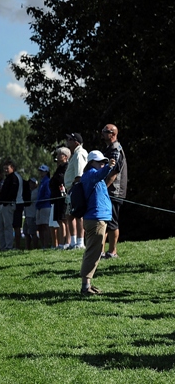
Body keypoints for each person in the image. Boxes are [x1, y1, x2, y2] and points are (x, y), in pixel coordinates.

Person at [79, 151, 117, 296]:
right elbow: (99, 174)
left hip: (98, 218)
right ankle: (85, 286)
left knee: (94, 252)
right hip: (95, 219)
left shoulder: (95, 175)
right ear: (91, 163)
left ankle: (87, 284)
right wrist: (108, 167)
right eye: (99, 161)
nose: (102, 163)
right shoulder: (90, 174)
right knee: (93, 252)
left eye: (103, 161)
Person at [101, 124, 127, 259]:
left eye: (105, 132)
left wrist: (103, 188)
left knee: (112, 222)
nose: (102, 134)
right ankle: (101, 251)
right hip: (108, 191)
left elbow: (114, 172)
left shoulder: (116, 149)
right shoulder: (109, 149)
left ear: (113, 134)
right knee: (105, 220)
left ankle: (112, 252)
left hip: (113, 191)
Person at [64, 133, 88, 249]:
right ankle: (73, 242)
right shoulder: (74, 154)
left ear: (76, 142)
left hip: (76, 187)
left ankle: (80, 242)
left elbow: (80, 173)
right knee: (70, 215)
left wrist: (75, 187)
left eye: (70, 139)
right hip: (71, 188)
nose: (67, 141)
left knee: (78, 215)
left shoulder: (79, 153)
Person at [0, 159, 21, 251]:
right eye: (4, 168)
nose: (5, 170)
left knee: (7, 226)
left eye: (7, 168)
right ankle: (2, 246)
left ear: (12, 168)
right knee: (1, 227)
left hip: (8, 205)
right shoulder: (7, 178)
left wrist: (6, 200)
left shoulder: (14, 178)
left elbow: (12, 192)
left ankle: (9, 246)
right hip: (2, 205)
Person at [51, 147, 70, 249]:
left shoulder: (67, 167)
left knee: (64, 220)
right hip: (56, 196)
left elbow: (62, 179)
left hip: (64, 197)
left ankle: (65, 242)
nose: (57, 157)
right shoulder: (59, 168)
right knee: (59, 220)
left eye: (59, 155)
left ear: (65, 157)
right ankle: (61, 242)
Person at [36, 165, 52, 248]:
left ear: (46, 172)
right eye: (40, 171)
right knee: (40, 226)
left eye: (42, 171)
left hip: (46, 206)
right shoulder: (42, 181)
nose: (41, 173)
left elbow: (48, 194)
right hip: (39, 206)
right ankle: (42, 244)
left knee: (45, 226)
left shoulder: (47, 181)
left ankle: (46, 244)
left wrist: (41, 201)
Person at [23, 177, 39, 250]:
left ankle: (35, 247)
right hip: (27, 214)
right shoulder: (29, 192)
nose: (30, 184)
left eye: (32, 183)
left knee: (33, 233)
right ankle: (27, 248)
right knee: (26, 233)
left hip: (32, 215)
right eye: (30, 183)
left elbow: (28, 200)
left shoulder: (36, 192)